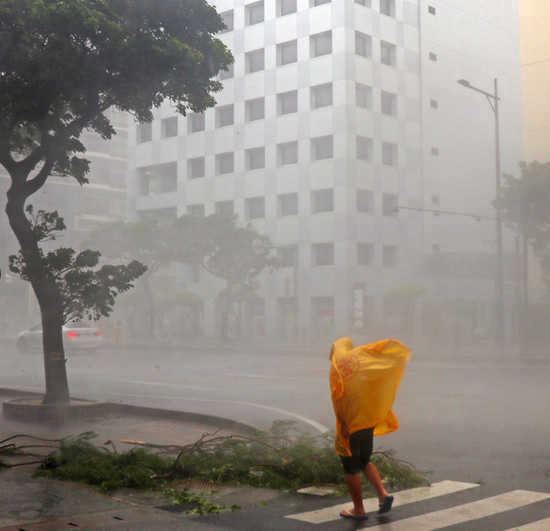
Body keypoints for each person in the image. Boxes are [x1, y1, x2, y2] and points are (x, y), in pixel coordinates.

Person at [329, 337, 411, 521]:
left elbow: (338, 396)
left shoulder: (336, 368)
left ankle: (359, 510)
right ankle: (383, 494)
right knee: (364, 459)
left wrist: (343, 426)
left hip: (351, 424)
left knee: (350, 468)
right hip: (366, 420)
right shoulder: (360, 358)